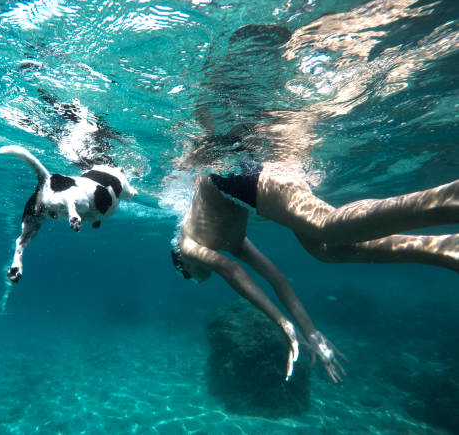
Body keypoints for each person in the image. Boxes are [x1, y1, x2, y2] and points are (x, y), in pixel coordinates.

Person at [172, 162, 458, 383]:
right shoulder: (228, 242)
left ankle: (449, 198)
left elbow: (229, 269)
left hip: (233, 177)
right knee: (325, 250)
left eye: (194, 276)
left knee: (326, 226)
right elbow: (277, 279)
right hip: (244, 182)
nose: (200, 275)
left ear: (182, 264)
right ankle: (441, 248)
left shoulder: (187, 243)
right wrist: (312, 332)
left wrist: (284, 325)